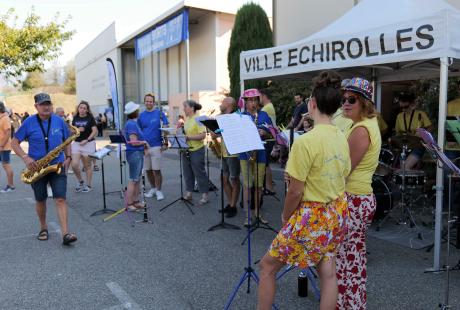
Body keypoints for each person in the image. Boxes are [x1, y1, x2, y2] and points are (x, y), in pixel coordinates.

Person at [257, 71, 350, 310]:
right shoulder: (341, 136)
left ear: (312, 104)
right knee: (328, 273)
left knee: (267, 267)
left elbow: (295, 192)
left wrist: (287, 217)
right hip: (336, 212)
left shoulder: (306, 141)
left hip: (312, 215)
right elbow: (343, 173)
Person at [336, 77, 382, 310]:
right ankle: (348, 303)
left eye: (351, 99)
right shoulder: (362, 124)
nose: (345, 103)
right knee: (349, 257)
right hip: (358, 197)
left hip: (354, 198)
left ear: (364, 103)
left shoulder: (361, 129)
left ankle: (351, 305)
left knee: (349, 260)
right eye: (343, 99)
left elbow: (345, 170)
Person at [11, 92, 77, 245]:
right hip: (37, 167)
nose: (46, 107)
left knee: (60, 198)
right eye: (43, 104)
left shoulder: (59, 121)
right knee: (40, 199)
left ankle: (65, 233)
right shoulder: (28, 122)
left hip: (58, 165)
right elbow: (14, 143)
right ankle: (43, 227)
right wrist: (26, 158)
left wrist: (68, 158)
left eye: (48, 103)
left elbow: (67, 141)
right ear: (36, 106)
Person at [238, 89, 273, 227]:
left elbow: (272, 133)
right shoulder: (240, 116)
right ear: (245, 102)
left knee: (259, 185)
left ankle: (257, 212)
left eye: (255, 100)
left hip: (261, 153)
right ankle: (247, 215)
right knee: (247, 185)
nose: (253, 103)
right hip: (245, 154)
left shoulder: (264, 115)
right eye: (250, 100)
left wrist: (265, 132)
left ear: (258, 101)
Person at [210, 97, 240, 218]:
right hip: (223, 153)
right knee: (224, 179)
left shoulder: (235, 117)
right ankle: (231, 203)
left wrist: (218, 132)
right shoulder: (220, 117)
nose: (220, 104)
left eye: (222, 102)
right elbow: (214, 134)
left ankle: (233, 206)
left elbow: (233, 133)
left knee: (234, 179)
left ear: (228, 104)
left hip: (233, 153)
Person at [138, 93, 169, 201]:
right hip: (145, 147)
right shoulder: (141, 116)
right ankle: (153, 188)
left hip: (156, 146)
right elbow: (139, 131)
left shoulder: (159, 114)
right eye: (147, 101)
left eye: (151, 101)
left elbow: (165, 128)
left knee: (157, 170)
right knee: (148, 170)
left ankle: (159, 191)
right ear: (144, 102)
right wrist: (141, 144)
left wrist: (166, 142)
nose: (149, 103)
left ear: (154, 102)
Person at [393, 92, 432, 169]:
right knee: (403, 170)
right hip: (404, 147)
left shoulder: (420, 114)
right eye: (401, 107)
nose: (403, 109)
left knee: (404, 168)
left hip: (418, 146)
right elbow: (398, 133)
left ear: (412, 104)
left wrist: (423, 134)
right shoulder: (399, 116)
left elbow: (430, 127)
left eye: (406, 107)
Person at [182, 100, 209, 205]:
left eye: (185, 107)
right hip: (187, 150)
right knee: (187, 172)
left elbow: (203, 135)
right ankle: (189, 193)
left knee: (199, 172)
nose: (183, 109)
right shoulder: (187, 120)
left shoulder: (199, 119)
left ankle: (205, 195)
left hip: (197, 149)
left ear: (192, 108)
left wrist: (188, 137)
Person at [122, 102, 146, 211]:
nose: (139, 111)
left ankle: (135, 201)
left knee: (137, 179)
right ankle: (129, 203)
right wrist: (144, 142)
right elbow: (133, 142)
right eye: (137, 109)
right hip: (134, 153)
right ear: (135, 112)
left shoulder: (132, 123)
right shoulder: (131, 124)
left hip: (136, 153)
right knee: (133, 179)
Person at [71, 101, 98, 193]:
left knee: (87, 165)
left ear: (87, 110)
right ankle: (80, 181)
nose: (82, 109)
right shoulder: (75, 118)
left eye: (84, 108)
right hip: (77, 143)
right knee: (74, 164)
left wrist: (87, 139)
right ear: (78, 108)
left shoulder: (90, 118)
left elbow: (94, 131)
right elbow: (72, 131)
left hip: (88, 143)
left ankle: (89, 185)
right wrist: (77, 130)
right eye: (80, 107)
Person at [259, 88, 277, 195]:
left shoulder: (266, 109)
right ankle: (269, 186)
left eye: (259, 96)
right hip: (270, 137)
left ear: (263, 96)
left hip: (268, 138)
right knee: (266, 164)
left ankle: (269, 187)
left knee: (265, 164)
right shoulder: (269, 106)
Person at [0, 102, 15, 192]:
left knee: (6, 165)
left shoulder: (5, 118)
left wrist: (1, 145)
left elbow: (8, 133)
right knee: (5, 165)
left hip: (4, 147)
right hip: (1, 146)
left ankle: (11, 186)